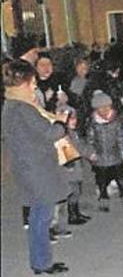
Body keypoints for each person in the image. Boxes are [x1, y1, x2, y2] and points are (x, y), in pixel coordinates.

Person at [1, 59, 71, 275]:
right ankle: (42, 263)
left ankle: (40, 261)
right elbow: (50, 134)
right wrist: (60, 121)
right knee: (42, 217)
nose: (34, 85)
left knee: (38, 217)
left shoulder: (11, 104)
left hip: (27, 166)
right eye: (31, 81)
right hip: (36, 168)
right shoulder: (23, 107)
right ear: (23, 82)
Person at [86, 90, 123, 212]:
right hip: (100, 158)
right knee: (102, 182)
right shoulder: (93, 123)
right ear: (96, 109)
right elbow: (90, 139)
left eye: (107, 107)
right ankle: (103, 201)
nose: (105, 110)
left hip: (115, 157)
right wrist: (91, 153)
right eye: (101, 108)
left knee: (120, 180)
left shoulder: (116, 121)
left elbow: (120, 139)